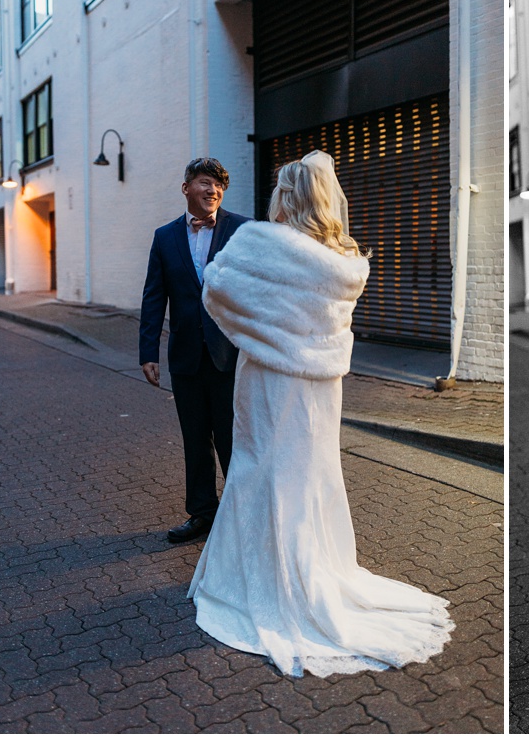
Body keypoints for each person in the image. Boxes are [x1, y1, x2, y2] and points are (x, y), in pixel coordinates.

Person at [188, 150, 454, 677]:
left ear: (286, 196)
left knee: (259, 470)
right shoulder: (341, 261)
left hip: (269, 381)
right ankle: (314, 571)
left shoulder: (260, 242)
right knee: (309, 478)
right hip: (318, 391)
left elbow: (215, 289)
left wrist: (256, 332)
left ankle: (257, 584)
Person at [141, 158, 250, 543]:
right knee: (195, 438)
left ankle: (243, 514)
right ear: (186, 187)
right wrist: (148, 351)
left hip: (229, 354)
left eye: (219, 186)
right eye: (206, 183)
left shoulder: (242, 230)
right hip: (186, 356)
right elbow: (154, 296)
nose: (213, 191)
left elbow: (255, 291)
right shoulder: (164, 237)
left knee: (232, 438)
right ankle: (203, 513)